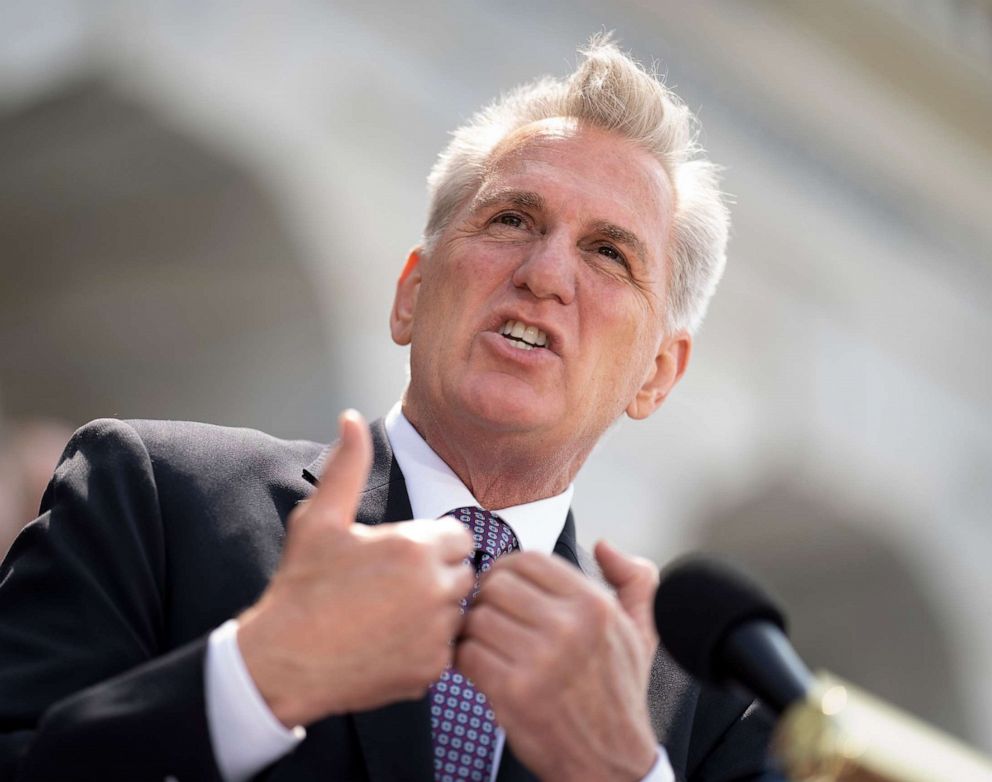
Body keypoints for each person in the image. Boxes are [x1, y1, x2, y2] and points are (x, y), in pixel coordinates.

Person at [0, 37, 778, 781]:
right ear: (410, 294)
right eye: (512, 219)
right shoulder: (156, 497)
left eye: (609, 253)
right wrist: (255, 679)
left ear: (658, 376)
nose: (545, 274)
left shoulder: (704, 713)